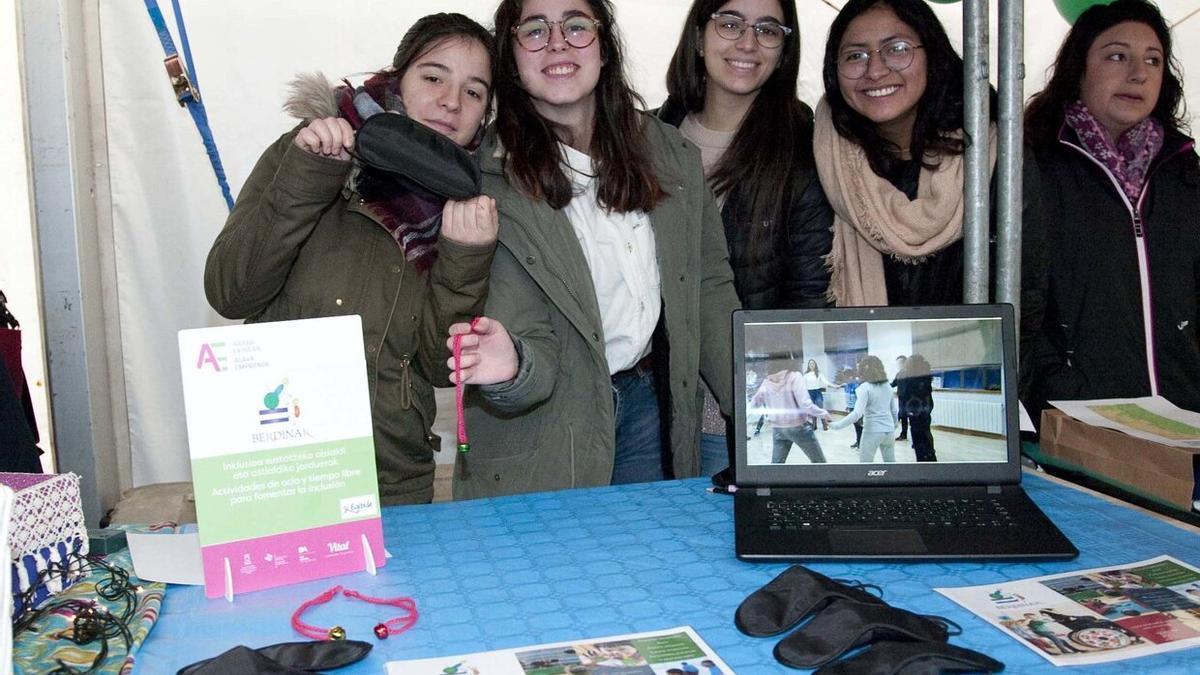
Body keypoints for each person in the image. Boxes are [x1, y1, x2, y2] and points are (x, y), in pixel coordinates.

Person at [446, 0, 741, 498]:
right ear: (510, 60)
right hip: (545, 422)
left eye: (577, 26)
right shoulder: (483, 176)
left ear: (604, 48)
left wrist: (756, 405)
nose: (558, 42)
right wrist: (508, 369)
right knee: (550, 571)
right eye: (535, 30)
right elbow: (507, 332)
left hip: (649, 406)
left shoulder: (671, 154)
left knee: (646, 566)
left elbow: (709, 288)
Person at [204, 14, 499, 505]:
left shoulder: (475, 204)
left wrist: (464, 259)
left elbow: (435, 366)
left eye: (474, 92)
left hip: (393, 478)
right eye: (433, 77)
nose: (451, 101)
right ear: (397, 77)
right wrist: (309, 176)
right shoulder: (312, 148)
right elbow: (231, 292)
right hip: (279, 468)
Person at [656, 0, 833, 477]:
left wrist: (762, 398)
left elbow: (807, 297)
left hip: (735, 409)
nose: (748, 43)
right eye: (730, 23)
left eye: (768, 30)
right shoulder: (645, 139)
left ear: (783, 50)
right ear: (698, 36)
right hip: (647, 407)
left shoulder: (804, 150)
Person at [1020, 0, 1200, 420]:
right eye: (1117, 56)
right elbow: (1020, 296)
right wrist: (1058, 385)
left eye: (1153, 60)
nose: (1138, 73)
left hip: (1185, 415)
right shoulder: (1035, 165)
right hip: (1079, 417)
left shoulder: (1184, 169)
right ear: (1077, 68)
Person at [816, 0, 995, 307]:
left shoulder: (992, 154)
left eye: (896, 49)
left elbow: (1027, 293)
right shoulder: (822, 155)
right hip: (863, 352)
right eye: (855, 56)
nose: (875, 70)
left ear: (932, 54)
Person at [750, 367, 831, 463]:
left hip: (778, 429)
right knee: (819, 463)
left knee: (776, 467)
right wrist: (824, 414)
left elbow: (754, 404)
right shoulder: (795, 377)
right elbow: (805, 405)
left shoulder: (767, 382)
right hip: (798, 427)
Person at [830, 356, 897, 462]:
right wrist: (894, 425)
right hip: (889, 431)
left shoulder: (864, 388)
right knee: (891, 463)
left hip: (872, 431)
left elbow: (857, 413)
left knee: (866, 465)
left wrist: (838, 425)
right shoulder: (887, 386)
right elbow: (893, 410)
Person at [902, 353, 936, 461]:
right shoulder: (925, 377)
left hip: (917, 413)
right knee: (925, 435)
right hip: (924, 412)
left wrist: (910, 411)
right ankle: (929, 458)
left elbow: (909, 396)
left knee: (920, 438)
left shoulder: (914, 379)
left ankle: (923, 461)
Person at [802, 358, 837, 430]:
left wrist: (835, 386)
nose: (812, 365)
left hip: (817, 392)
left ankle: (824, 424)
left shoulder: (819, 373)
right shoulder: (806, 374)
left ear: (815, 365)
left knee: (820, 409)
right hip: (809, 393)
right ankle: (814, 425)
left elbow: (826, 382)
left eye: (813, 364)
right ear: (808, 365)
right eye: (810, 364)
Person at [837, 367, 863, 448]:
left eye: (845, 377)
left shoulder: (856, 386)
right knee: (856, 426)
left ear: (851, 376)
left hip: (857, 409)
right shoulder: (846, 386)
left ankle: (860, 443)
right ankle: (858, 441)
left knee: (859, 427)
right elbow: (848, 397)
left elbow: (861, 398)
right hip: (851, 408)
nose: (844, 379)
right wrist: (848, 406)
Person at [891, 354, 909, 441]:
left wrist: (899, 394)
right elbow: (893, 384)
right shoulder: (899, 374)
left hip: (909, 400)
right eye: (898, 363)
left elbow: (909, 388)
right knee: (903, 417)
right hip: (901, 400)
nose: (899, 365)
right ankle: (904, 435)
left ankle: (916, 438)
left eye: (901, 363)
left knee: (909, 418)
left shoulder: (910, 374)